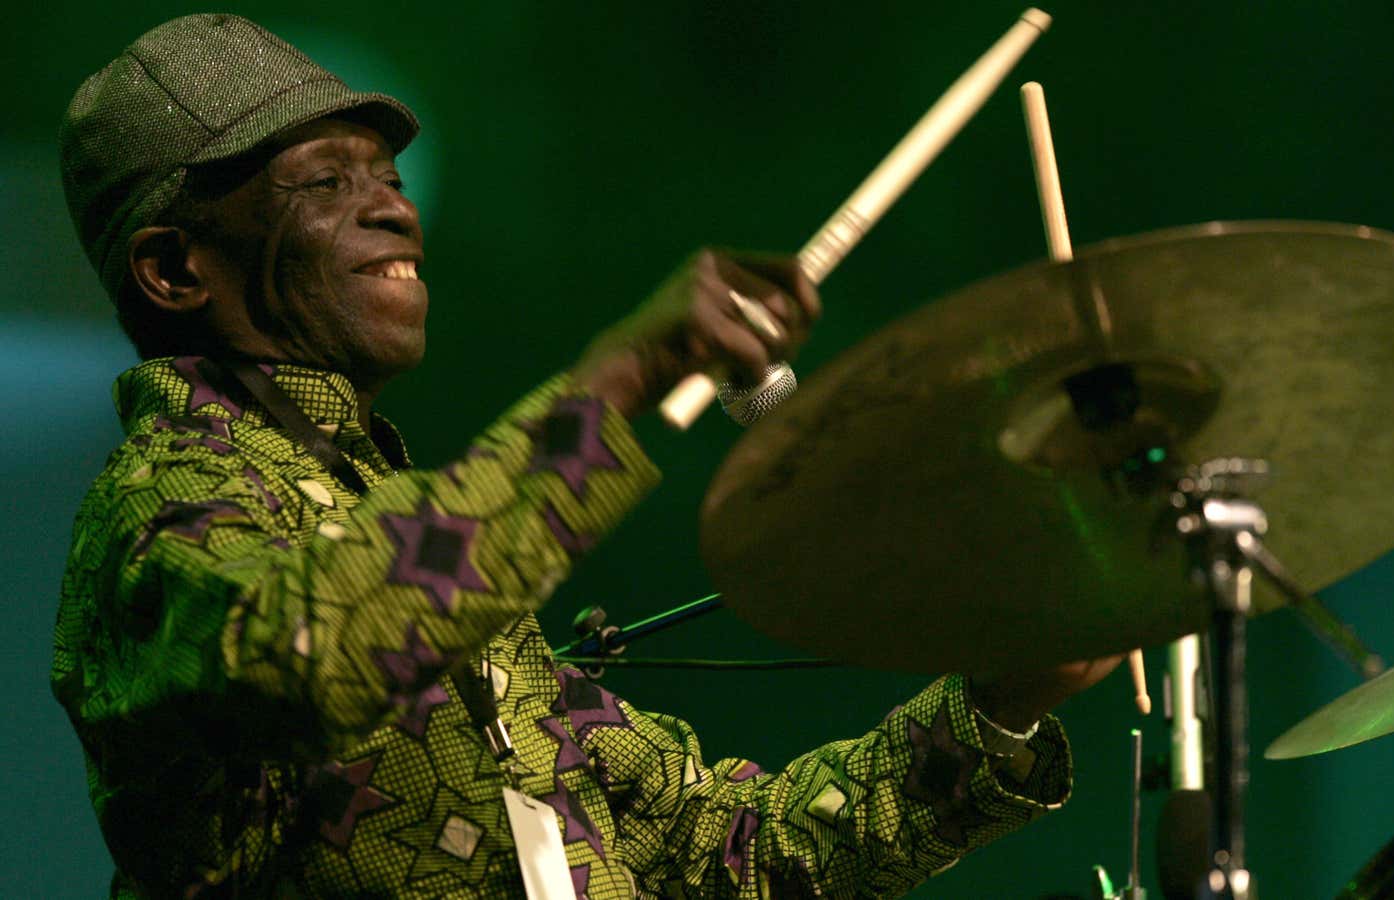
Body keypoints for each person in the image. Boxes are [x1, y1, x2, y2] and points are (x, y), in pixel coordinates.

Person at [52, 14, 1120, 898]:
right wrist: (613, 382)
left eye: (387, 176)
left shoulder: (411, 533)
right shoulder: (164, 507)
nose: (391, 205)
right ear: (175, 268)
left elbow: (730, 852)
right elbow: (314, 655)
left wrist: (1000, 705)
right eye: (324, 184)